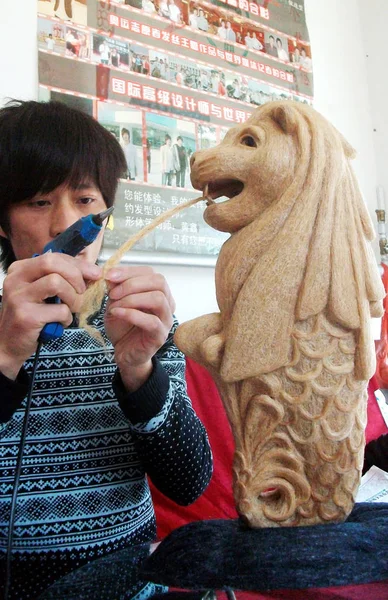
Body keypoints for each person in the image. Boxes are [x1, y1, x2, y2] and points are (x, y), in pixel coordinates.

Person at [0, 100, 212, 600]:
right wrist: (5, 358)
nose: (63, 224)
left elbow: (189, 483)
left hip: (128, 581)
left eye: (85, 199)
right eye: (37, 201)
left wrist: (139, 370)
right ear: (3, 224)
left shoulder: (142, 321)